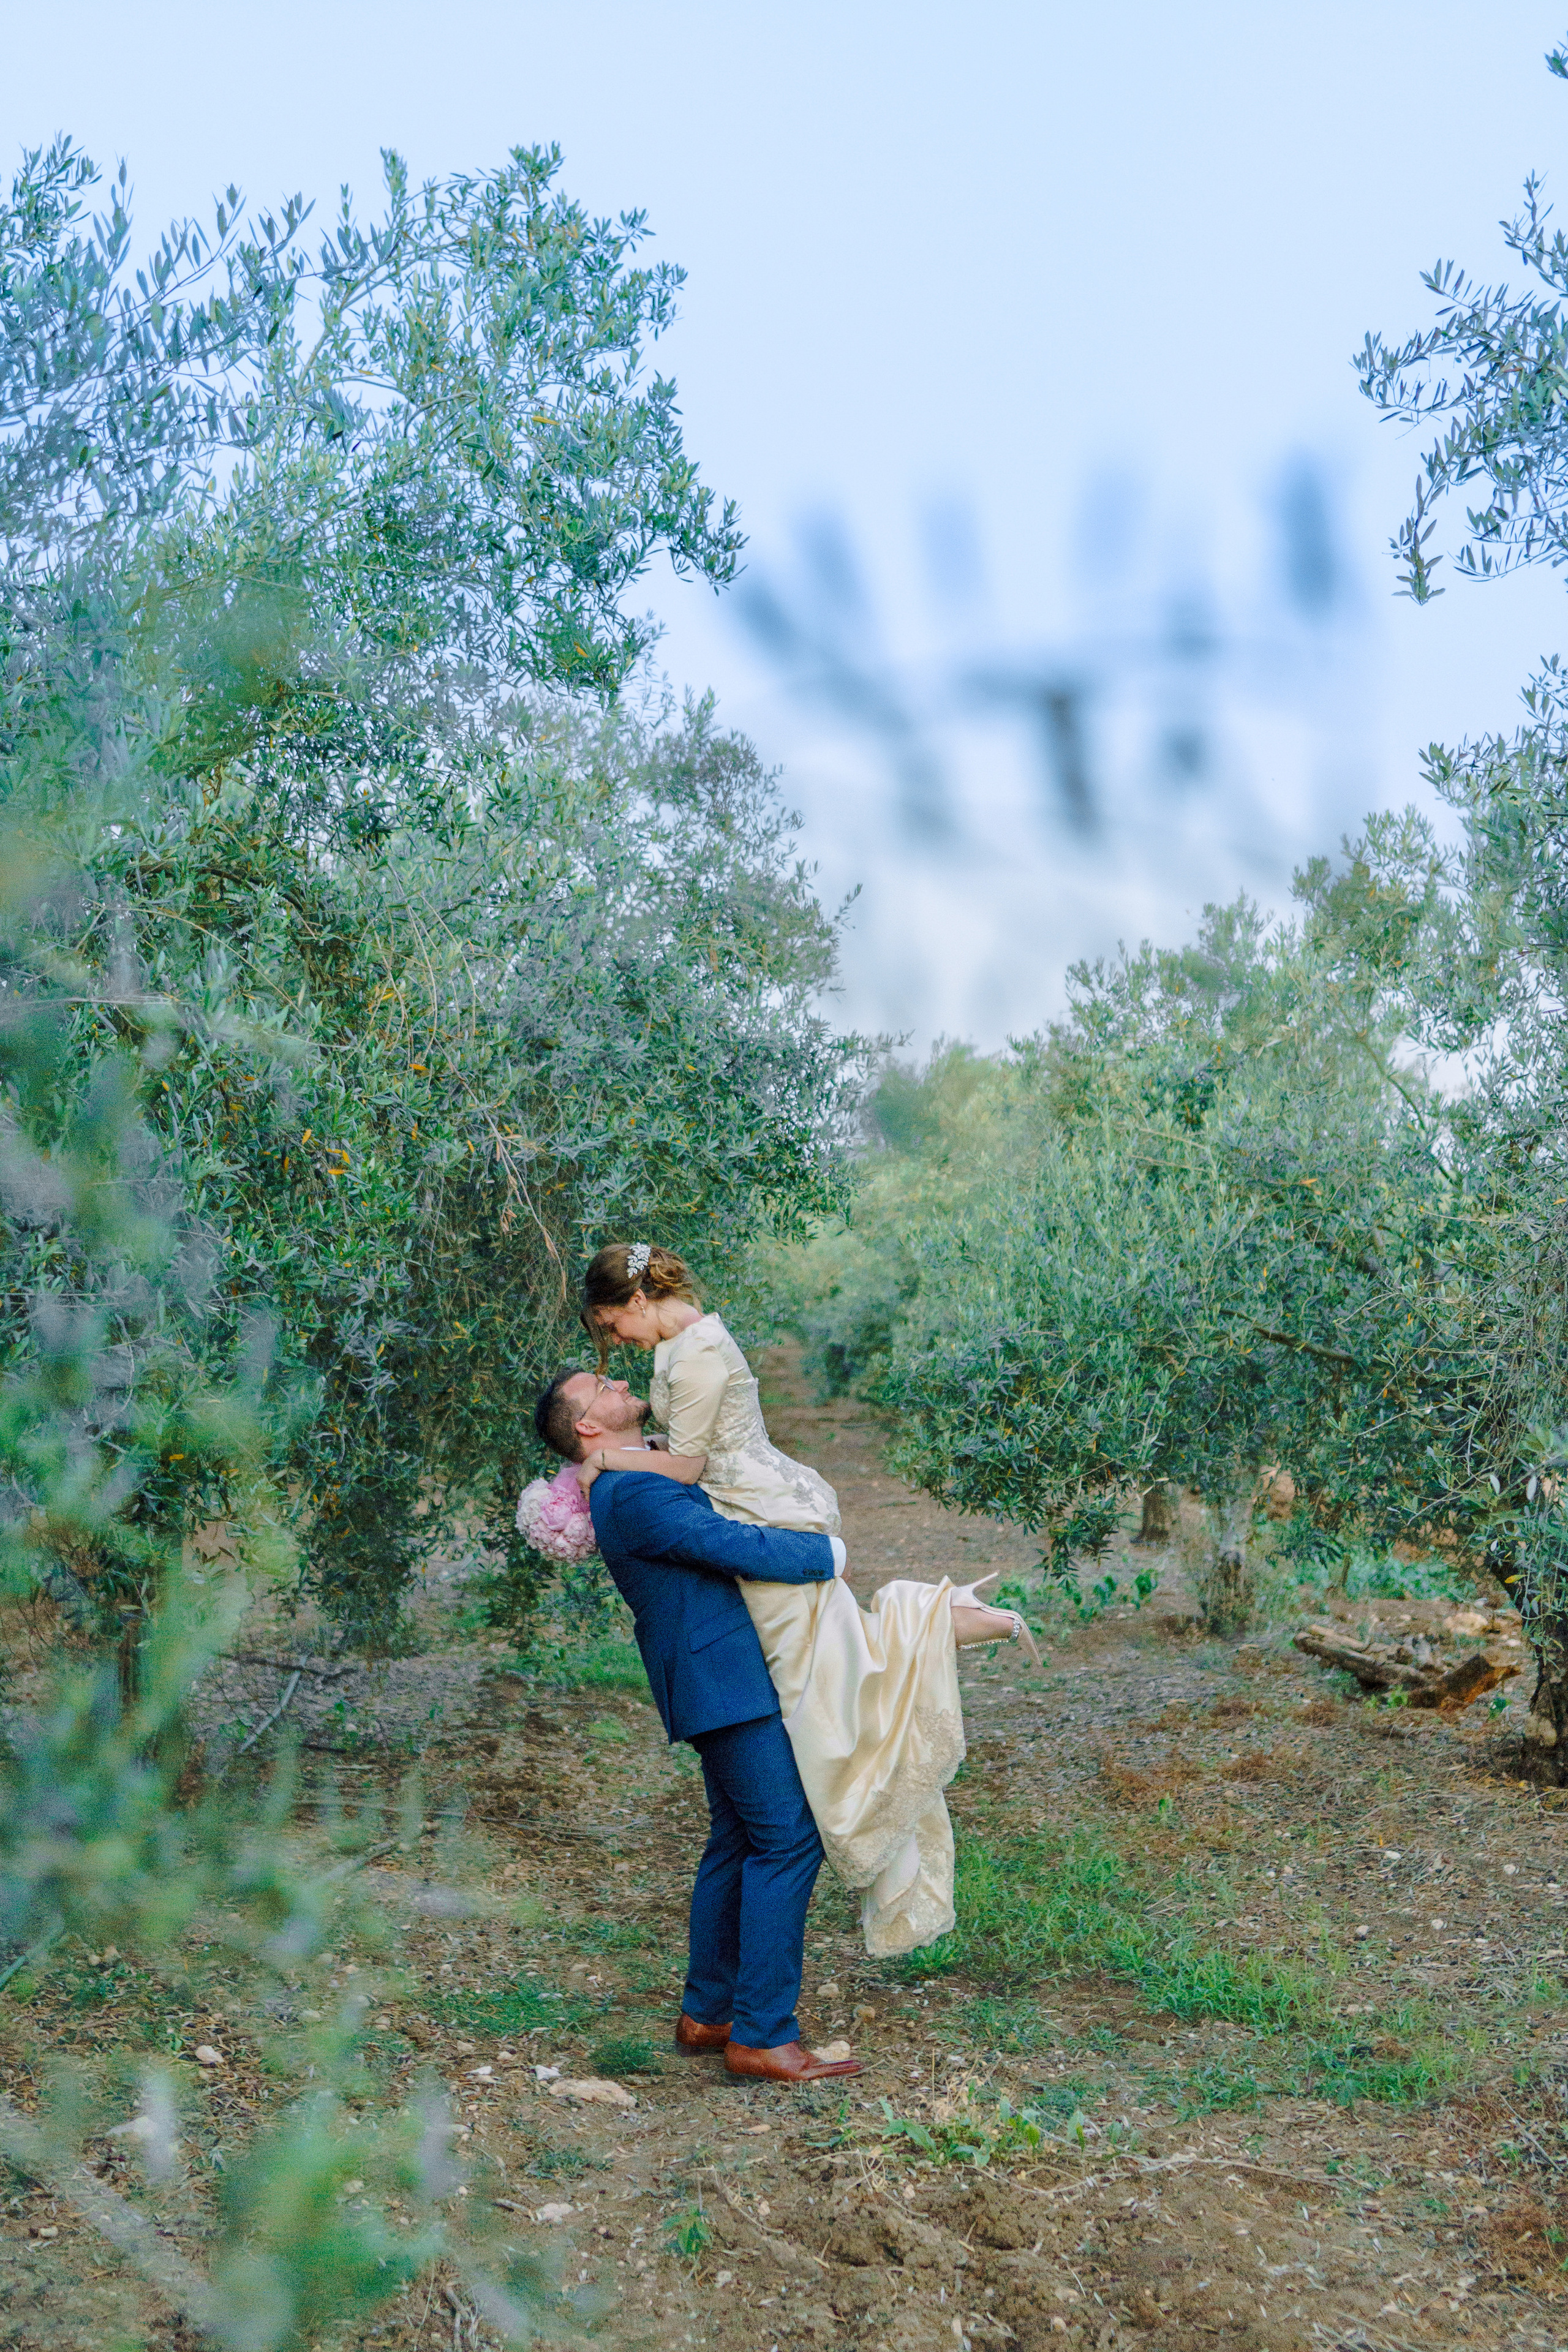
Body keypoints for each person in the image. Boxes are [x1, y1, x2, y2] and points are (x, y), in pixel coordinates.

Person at [568, 1242, 1039, 1959]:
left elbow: (691, 1467)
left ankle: (939, 1630)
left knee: (826, 1662)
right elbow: (692, 1474)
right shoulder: (677, 1371)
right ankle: (940, 1628)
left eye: (610, 1326)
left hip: (753, 1509)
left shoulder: (688, 1360)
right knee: (809, 1730)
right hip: (729, 1601)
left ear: (635, 1301)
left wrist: (607, 1456)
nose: (615, 1346)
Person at [532, 1363, 864, 2086]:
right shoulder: (636, 1492)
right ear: (588, 1425)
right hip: (722, 1683)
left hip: (711, 1678)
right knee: (787, 1837)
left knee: (740, 1836)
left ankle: (710, 2014)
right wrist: (829, 1553)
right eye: (603, 1389)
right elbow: (734, 1548)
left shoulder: (630, 1474)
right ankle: (763, 2036)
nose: (619, 1385)